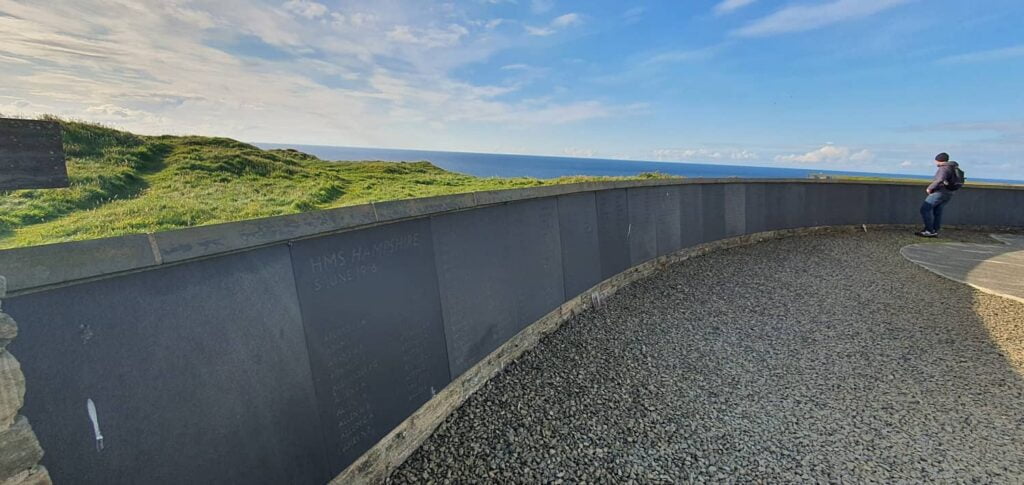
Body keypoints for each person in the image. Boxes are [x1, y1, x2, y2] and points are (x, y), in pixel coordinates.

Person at [916, 152, 957, 237]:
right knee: (938, 211)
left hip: (940, 192)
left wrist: (930, 188)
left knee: (925, 209)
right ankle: (934, 230)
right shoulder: (952, 167)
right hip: (949, 193)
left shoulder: (944, 168)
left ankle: (929, 230)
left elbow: (940, 180)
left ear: (938, 160)